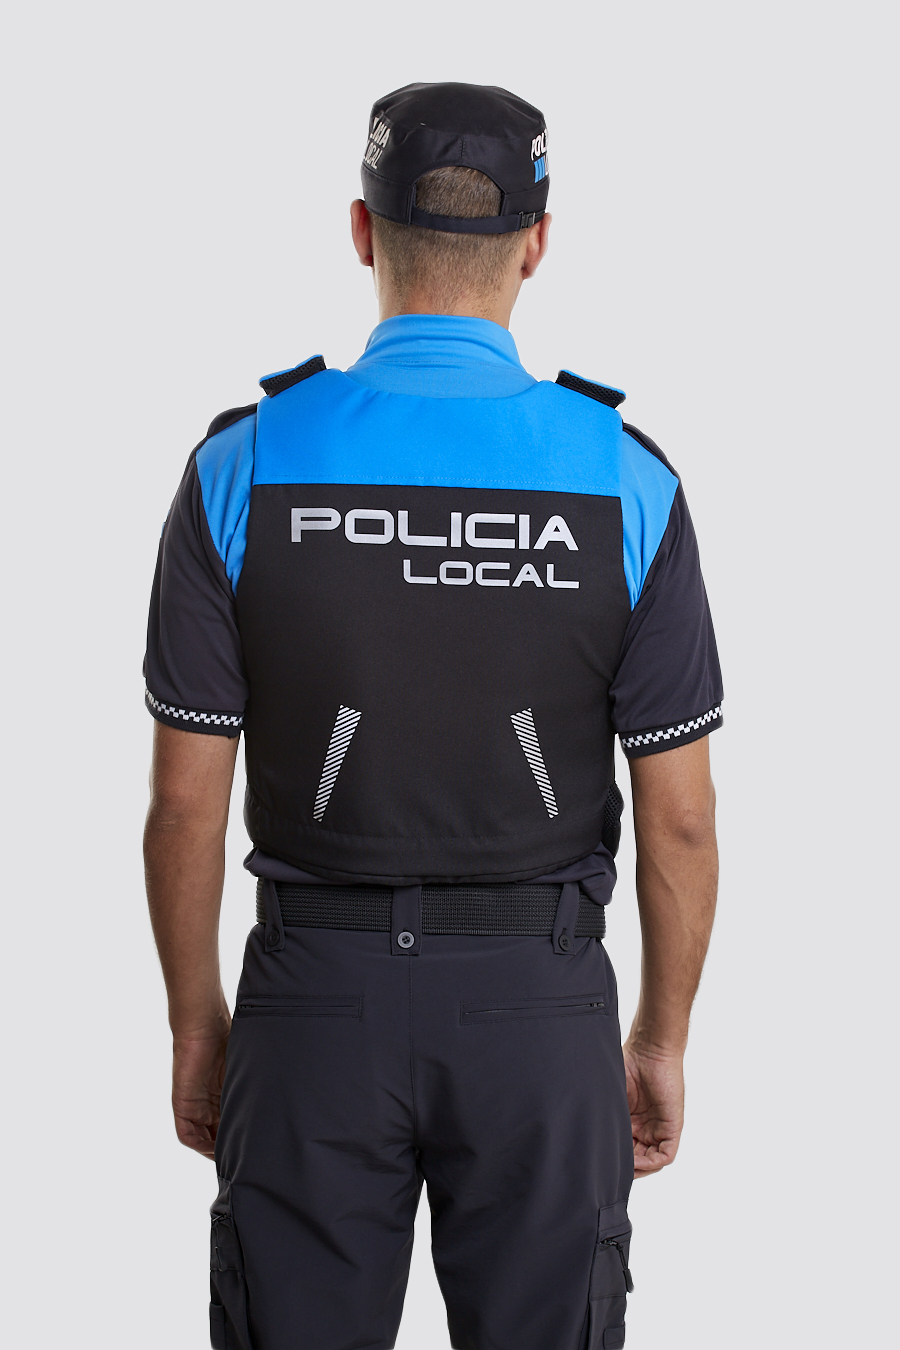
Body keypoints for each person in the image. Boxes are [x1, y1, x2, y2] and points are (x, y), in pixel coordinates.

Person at [143, 81, 722, 1350]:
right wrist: (660, 1038)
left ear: (363, 230)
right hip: (539, 1012)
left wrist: (198, 1027)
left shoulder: (245, 462)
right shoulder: (623, 478)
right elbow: (679, 823)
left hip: (310, 1005)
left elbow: (185, 802)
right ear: (538, 241)